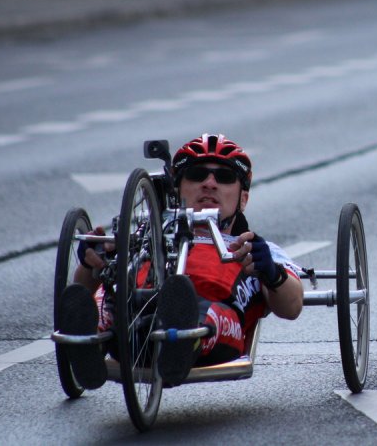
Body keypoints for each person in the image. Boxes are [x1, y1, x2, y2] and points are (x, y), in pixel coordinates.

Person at [57, 133, 304, 389]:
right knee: (107, 298)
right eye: (197, 174)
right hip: (133, 312)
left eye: (224, 177)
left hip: (212, 320)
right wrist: (93, 262)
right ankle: (88, 344)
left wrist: (272, 273)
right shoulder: (144, 238)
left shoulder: (256, 248)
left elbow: (292, 306)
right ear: (176, 189)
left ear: (243, 198)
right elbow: (84, 287)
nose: (209, 183)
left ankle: (184, 339)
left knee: (200, 309)